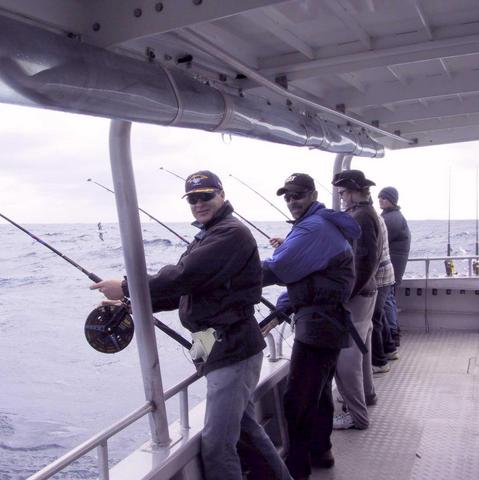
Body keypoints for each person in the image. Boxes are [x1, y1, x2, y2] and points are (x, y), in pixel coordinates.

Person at [91, 170, 291, 480]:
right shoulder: (211, 234)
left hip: (233, 349)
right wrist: (132, 304)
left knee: (217, 444)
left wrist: (128, 286)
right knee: (246, 430)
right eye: (193, 199)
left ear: (221, 195)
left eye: (206, 196)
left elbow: (182, 276)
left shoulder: (229, 234)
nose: (199, 203)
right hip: (219, 346)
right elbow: (186, 290)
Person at [261, 173, 360, 480]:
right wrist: (279, 311)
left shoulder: (314, 227)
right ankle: (322, 452)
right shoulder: (318, 224)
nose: (292, 202)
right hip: (325, 321)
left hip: (319, 325)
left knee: (296, 399)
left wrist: (229, 271)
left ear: (314, 194)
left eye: (298, 196)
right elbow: (304, 278)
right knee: (318, 394)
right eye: (287, 197)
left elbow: (278, 269)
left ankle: (297, 468)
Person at [331, 169, 383, 431]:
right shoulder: (366, 213)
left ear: (352, 192)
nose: (341, 199)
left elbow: (364, 261)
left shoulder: (361, 216)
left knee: (346, 357)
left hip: (358, 295)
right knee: (362, 348)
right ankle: (368, 394)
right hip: (367, 292)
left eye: (342, 194)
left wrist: (344, 295)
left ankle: (357, 415)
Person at [378, 186, 411, 346]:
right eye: (379, 197)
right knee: (389, 299)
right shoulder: (390, 216)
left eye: (384, 198)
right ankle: (392, 331)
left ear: (392, 200)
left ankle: (392, 334)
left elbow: (378, 241)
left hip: (392, 266)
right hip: (393, 265)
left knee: (388, 299)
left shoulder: (392, 219)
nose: (380, 200)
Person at [370, 215, 398, 375]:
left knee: (374, 318)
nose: (343, 197)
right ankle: (390, 349)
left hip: (379, 275)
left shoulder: (367, 217)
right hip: (386, 273)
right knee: (379, 315)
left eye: (343, 194)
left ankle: (379, 362)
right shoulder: (376, 216)